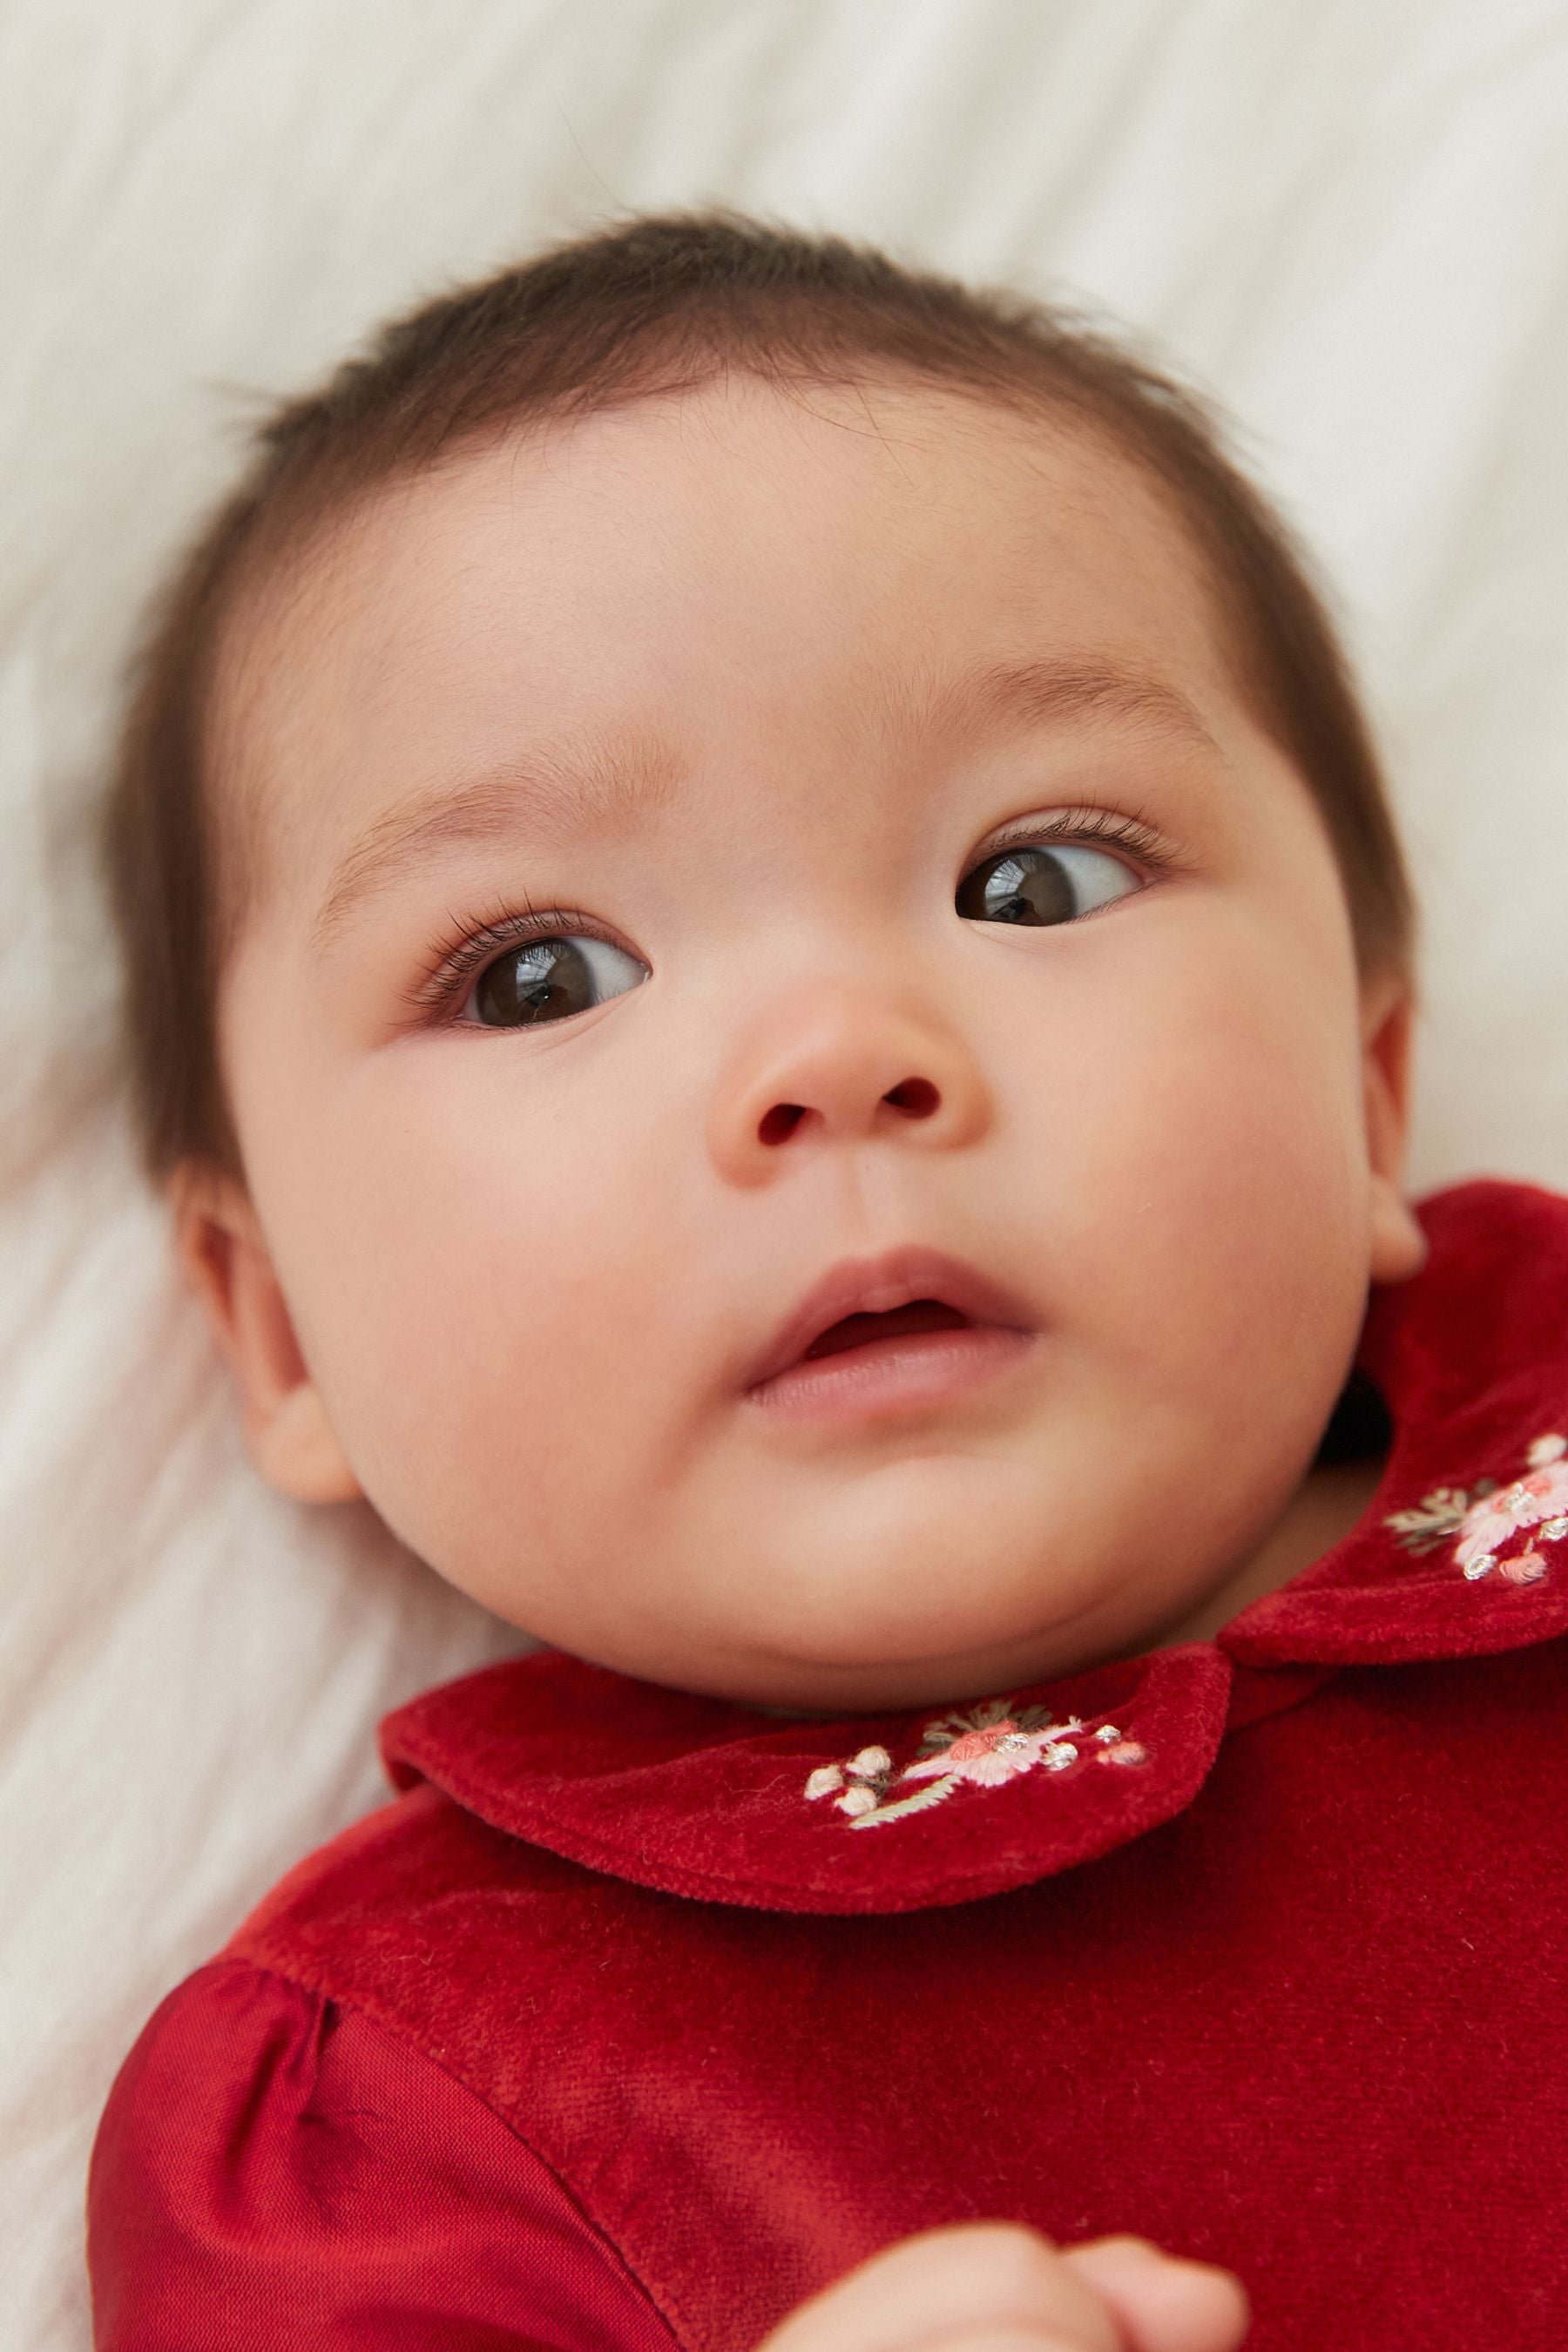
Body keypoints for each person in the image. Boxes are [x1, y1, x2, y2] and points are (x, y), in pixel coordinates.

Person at [84, 213, 1568, 2351]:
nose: (839, 1056)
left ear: (1362, 1098)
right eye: (535, 975)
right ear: (283, 1325)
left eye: (1032, 878)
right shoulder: (409, 2116)